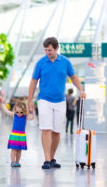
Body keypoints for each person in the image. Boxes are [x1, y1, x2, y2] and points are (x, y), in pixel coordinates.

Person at [28, 37, 85, 169]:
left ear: (56, 48)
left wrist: (81, 89)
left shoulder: (65, 62)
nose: (47, 52)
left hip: (60, 100)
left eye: (50, 50)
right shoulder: (41, 63)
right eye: (46, 50)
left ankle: (52, 158)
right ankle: (46, 159)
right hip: (44, 99)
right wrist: (30, 100)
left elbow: (74, 78)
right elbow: (33, 82)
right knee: (46, 128)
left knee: (56, 131)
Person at [0, 100, 33, 167]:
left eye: (21, 112)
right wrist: (2, 105)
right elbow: (6, 111)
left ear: (24, 111)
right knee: (14, 149)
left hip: (21, 135)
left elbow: (31, 118)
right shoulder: (14, 115)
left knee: (19, 150)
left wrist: (32, 112)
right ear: (15, 110)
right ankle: (12, 162)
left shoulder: (25, 116)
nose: (19, 113)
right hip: (14, 135)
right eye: (17, 112)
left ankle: (17, 161)